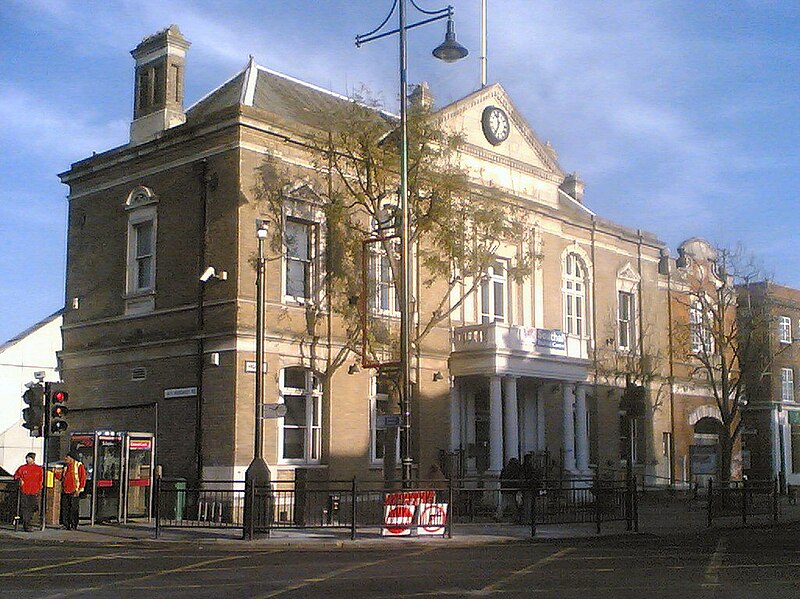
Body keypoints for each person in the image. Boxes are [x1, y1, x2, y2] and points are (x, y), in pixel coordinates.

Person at [13, 452, 43, 532]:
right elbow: (16, 475)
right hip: (24, 491)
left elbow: (41, 479)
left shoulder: (38, 468)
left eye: (29, 458)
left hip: (34, 491)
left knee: (34, 507)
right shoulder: (22, 468)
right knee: (25, 508)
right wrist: (20, 479)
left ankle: (29, 522)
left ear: (33, 459)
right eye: (27, 458)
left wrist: (39, 488)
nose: (27, 460)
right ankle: (27, 525)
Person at [56, 451, 86, 530]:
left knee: (73, 509)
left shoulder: (78, 465)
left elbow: (82, 478)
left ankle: (73, 525)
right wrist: (55, 473)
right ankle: (66, 524)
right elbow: (62, 478)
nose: (65, 458)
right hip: (65, 490)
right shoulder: (66, 467)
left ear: (71, 458)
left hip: (74, 490)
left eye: (67, 457)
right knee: (65, 508)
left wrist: (79, 490)